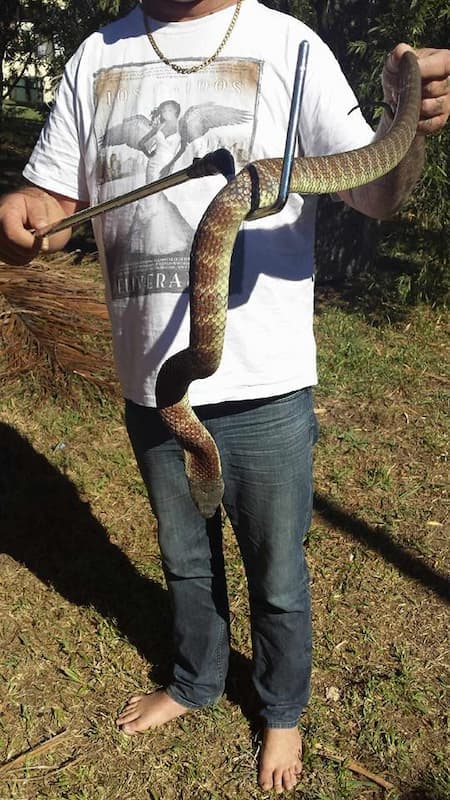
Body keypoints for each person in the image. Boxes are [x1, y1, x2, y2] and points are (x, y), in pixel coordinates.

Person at [0, 0, 449, 792]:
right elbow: (59, 205)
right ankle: (196, 679)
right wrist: (29, 216)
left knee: (277, 573)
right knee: (185, 558)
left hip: (267, 382)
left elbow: (378, 192)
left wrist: (405, 122)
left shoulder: (290, 43)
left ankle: (282, 709)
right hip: (154, 383)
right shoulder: (95, 55)